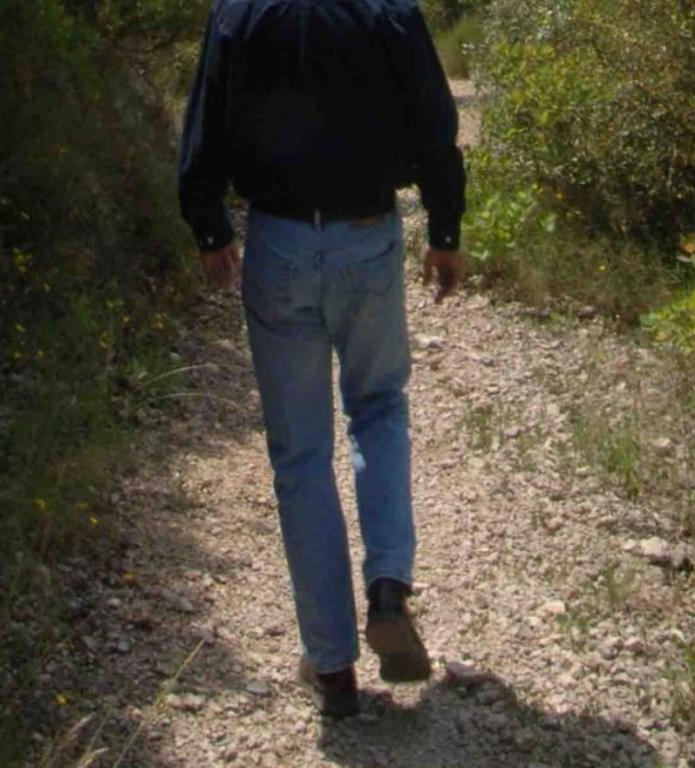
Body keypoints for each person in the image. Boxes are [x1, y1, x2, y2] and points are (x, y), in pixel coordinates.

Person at [178, 0, 466, 719]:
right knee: (378, 407)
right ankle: (388, 586)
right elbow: (435, 125)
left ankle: (332, 666)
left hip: (278, 243)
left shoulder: (240, 13)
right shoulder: (388, 11)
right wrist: (444, 230)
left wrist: (210, 227)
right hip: (367, 236)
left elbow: (206, 123)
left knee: (300, 454)